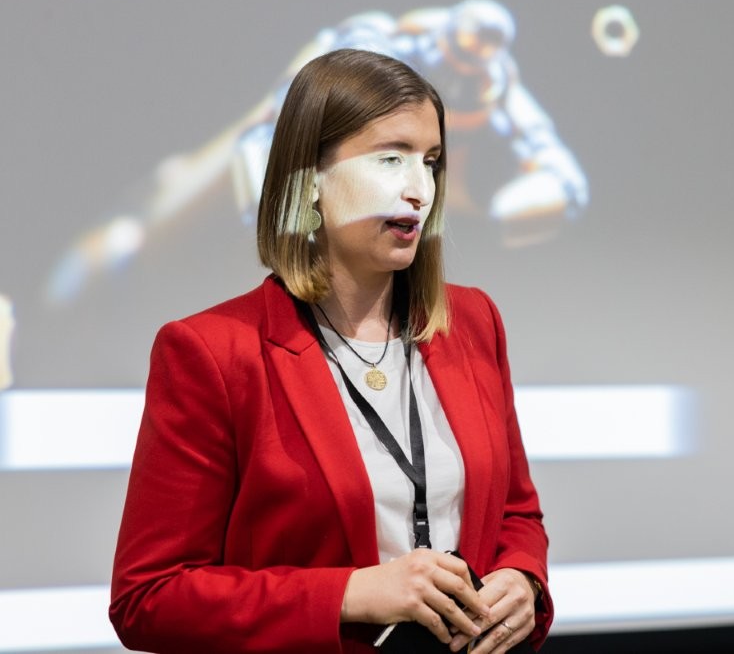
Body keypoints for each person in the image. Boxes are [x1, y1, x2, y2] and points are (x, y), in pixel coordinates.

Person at [109, 49, 551, 654]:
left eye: (430, 162)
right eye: (390, 159)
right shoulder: (212, 352)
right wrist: (350, 594)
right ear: (310, 178)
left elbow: (517, 514)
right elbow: (148, 599)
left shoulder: (472, 321)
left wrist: (523, 580)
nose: (419, 190)